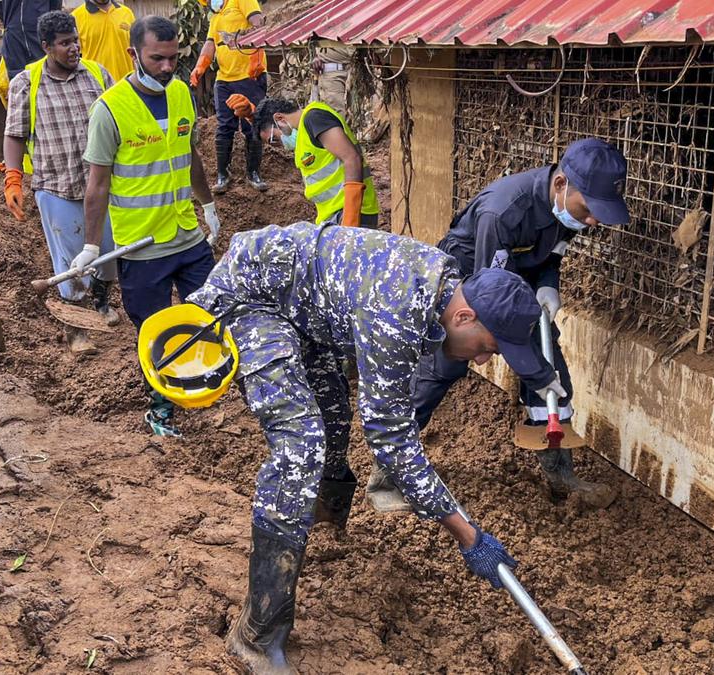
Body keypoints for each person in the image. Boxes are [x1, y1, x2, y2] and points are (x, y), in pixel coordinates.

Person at [187, 222, 556, 673]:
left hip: (305, 311)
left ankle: (320, 532)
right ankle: (257, 635)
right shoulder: (398, 308)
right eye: (488, 347)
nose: (481, 359)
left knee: (334, 420)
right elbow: (391, 436)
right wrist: (469, 536)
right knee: (300, 444)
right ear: (464, 318)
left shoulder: (441, 285)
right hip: (251, 302)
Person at [394, 137, 630, 511]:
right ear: (560, 184)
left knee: (550, 370)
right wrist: (526, 360)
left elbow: (551, 256)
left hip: (516, 283)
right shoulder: (504, 212)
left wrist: (548, 285)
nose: (592, 220)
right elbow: (490, 296)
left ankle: (560, 475)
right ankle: (391, 468)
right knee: (441, 369)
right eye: (588, 209)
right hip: (471, 282)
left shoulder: (565, 209)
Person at [76, 15, 221, 437]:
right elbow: (97, 184)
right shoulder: (109, 111)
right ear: (133, 54)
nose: (166, 67)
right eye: (157, 58)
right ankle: (161, 409)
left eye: (173, 58)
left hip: (187, 234)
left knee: (207, 315)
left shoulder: (181, 94)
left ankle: (202, 385)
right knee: (155, 332)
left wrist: (207, 203)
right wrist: (90, 245)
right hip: (141, 247)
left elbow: (189, 154)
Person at [3, 10, 115, 354]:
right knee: (70, 263)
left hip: (100, 184)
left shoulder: (98, 75)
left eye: (76, 40)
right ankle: (76, 330)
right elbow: (15, 134)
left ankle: (101, 302)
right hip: (55, 185)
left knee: (107, 252)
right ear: (46, 47)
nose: (74, 48)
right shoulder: (27, 83)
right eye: (65, 43)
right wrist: (13, 177)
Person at [249, 97, 380, 228]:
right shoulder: (303, 136)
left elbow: (351, 158)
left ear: (280, 119)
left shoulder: (315, 118)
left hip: (352, 213)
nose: (281, 145)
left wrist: (350, 219)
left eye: (274, 139)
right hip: (335, 216)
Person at [189, 0, 267, 193]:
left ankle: (254, 173)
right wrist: (200, 65)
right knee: (224, 127)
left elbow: (260, 24)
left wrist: (257, 56)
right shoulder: (217, 13)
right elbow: (210, 42)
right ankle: (223, 175)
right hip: (224, 79)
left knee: (253, 124)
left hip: (249, 75)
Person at [0, 0, 61, 80]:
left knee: (46, 76)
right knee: (17, 79)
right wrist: (12, 24)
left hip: (39, 36)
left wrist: (45, 26)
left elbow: (55, 8)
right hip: (13, 38)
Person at [71, 0, 136, 82]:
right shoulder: (76, 17)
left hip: (126, 84)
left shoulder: (127, 13)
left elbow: (136, 50)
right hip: (96, 84)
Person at [311, 45, 353, 111]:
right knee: (334, 109)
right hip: (329, 73)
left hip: (347, 70)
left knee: (341, 110)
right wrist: (317, 56)